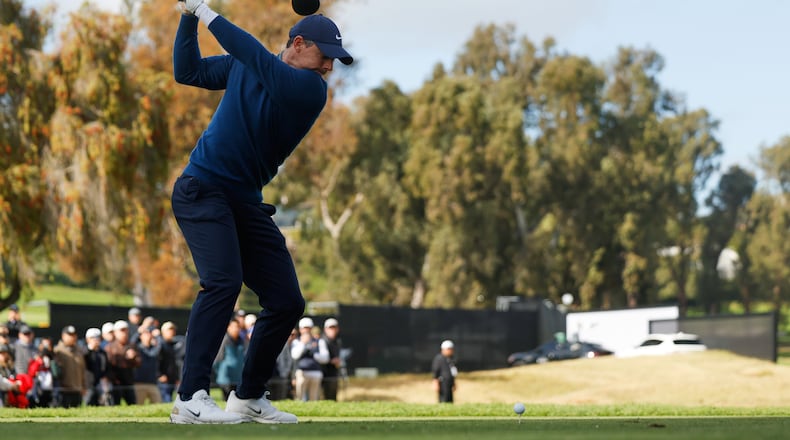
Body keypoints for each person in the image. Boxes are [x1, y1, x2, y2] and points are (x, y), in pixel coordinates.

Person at [168, 0, 352, 425]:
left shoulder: (310, 90)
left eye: (334, 60)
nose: (329, 67)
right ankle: (190, 398)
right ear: (298, 44)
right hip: (202, 189)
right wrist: (186, 18)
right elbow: (187, 72)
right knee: (223, 282)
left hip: (244, 201)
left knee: (287, 301)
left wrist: (203, 10)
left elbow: (251, 53)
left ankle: (248, 396)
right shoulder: (248, 66)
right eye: (325, 56)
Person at [290, 317, 328, 401]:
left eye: (308, 328)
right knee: (300, 398)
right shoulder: (296, 342)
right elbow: (295, 355)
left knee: (314, 398)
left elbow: (325, 358)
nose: (306, 330)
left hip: (316, 373)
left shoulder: (319, 341)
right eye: (304, 328)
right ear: (300, 329)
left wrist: (314, 355)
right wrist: (303, 343)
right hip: (301, 373)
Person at [105, 320, 140, 405]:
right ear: (115, 332)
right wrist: (113, 379)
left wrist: (133, 358)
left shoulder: (132, 346)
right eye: (121, 331)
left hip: (129, 382)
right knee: (115, 405)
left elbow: (139, 363)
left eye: (126, 330)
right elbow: (107, 367)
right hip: (116, 383)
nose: (124, 333)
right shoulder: (110, 347)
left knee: (132, 405)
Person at [53, 325, 87, 408]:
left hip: (77, 389)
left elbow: (82, 370)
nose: (72, 337)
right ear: (63, 336)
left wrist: (83, 386)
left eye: (74, 335)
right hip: (63, 390)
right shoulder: (57, 351)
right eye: (69, 335)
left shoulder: (79, 350)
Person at [213, 319, 246, 401]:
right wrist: (222, 371)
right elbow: (217, 359)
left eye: (238, 327)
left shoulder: (241, 341)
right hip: (225, 379)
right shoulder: (224, 340)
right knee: (227, 400)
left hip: (237, 378)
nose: (236, 329)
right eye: (234, 327)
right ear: (228, 328)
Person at [133, 326, 163, 404]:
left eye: (149, 334)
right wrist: (138, 333)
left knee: (158, 405)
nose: (148, 336)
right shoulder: (137, 348)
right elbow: (131, 343)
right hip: (139, 383)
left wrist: (158, 337)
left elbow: (159, 348)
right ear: (141, 336)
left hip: (153, 383)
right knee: (138, 406)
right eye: (145, 334)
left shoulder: (154, 349)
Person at [158, 321, 185, 403]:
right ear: (163, 332)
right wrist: (159, 375)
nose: (172, 332)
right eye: (169, 330)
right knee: (166, 400)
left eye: (173, 330)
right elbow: (155, 362)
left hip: (172, 378)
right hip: (163, 379)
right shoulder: (159, 344)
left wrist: (176, 377)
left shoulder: (174, 345)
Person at [84, 327, 111, 406]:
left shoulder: (102, 353)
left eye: (97, 337)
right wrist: (90, 350)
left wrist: (105, 377)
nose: (95, 340)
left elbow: (106, 367)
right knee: (89, 403)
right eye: (93, 338)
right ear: (87, 339)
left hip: (101, 383)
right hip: (89, 384)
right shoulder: (84, 351)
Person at [268, 327, 297, 401]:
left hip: (281, 375)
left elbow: (288, 360)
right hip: (268, 376)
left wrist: (285, 372)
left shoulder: (283, 343)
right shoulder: (266, 342)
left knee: (281, 398)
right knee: (268, 398)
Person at [27, 338, 55, 408]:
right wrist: (38, 361)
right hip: (39, 387)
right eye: (44, 345)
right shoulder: (36, 357)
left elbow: (56, 373)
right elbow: (31, 372)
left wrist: (52, 361)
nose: (46, 348)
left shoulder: (54, 358)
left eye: (48, 345)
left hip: (50, 388)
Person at [320, 318, 343, 401]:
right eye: (330, 328)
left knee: (332, 397)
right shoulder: (321, 341)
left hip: (333, 374)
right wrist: (330, 361)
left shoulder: (338, 341)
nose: (332, 330)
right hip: (322, 374)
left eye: (334, 328)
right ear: (325, 329)